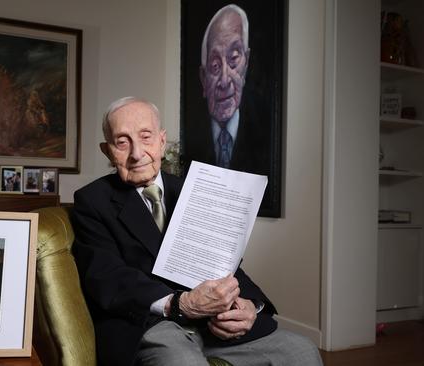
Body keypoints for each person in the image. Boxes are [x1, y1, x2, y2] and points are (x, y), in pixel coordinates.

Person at [71, 96, 322, 366]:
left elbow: (227, 264)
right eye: (122, 142)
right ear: (107, 151)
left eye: (146, 137)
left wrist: (251, 306)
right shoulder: (92, 201)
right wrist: (180, 304)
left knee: (302, 351)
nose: (136, 153)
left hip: (213, 324)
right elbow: (107, 277)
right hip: (148, 325)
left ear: (162, 141)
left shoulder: (195, 189)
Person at [197, 4, 270, 174]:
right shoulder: (192, 137)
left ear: (247, 62)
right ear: (203, 78)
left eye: (234, 59)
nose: (224, 80)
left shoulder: (263, 129)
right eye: (215, 65)